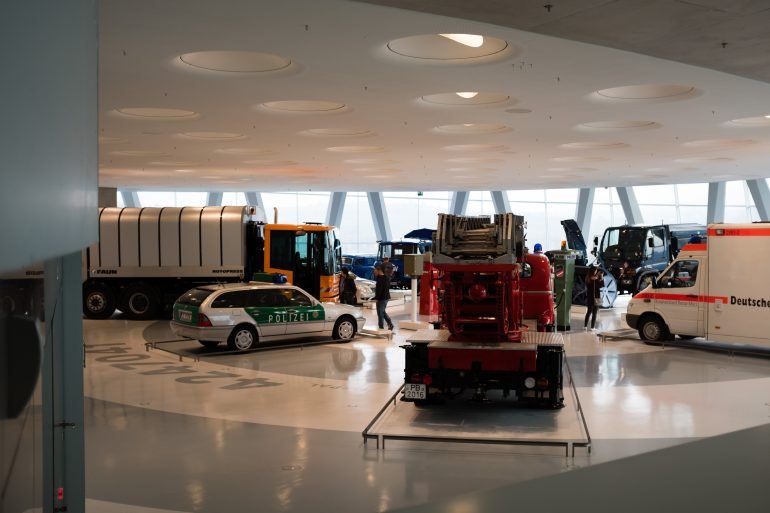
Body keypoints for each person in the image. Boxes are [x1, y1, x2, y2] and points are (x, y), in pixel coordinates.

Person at [373, 264, 394, 331]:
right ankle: (390, 324)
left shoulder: (384, 279)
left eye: (375, 270)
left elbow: (382, 290)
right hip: (383, 298)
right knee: (382, 312)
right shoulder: (381, 278)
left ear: (379, 270)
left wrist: (377, 298)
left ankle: (381, 328)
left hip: (383, 298)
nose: (374, 271)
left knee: (380, 313)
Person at [584, 266, 603, 330]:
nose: (596, 271)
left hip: (590, 297)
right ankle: (592, 327)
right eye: (596, 270)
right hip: (596, 298)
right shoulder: (596, 279)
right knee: (594, 313)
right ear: (594, 271)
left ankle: (585, 326)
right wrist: (601, 277)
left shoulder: (587, 278)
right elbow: (601, 285)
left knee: (589, 312)